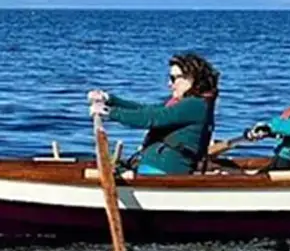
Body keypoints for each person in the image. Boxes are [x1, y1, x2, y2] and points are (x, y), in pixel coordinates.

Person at [88, 53, 219, 175]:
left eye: (174, 79)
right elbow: (146, 110)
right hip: (152, 166)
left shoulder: (195, 105)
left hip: (163, 171)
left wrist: (109, 112)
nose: (169, 84)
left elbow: (152, 119)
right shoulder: (184, 103)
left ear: (191, 79)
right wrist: (109, 100)